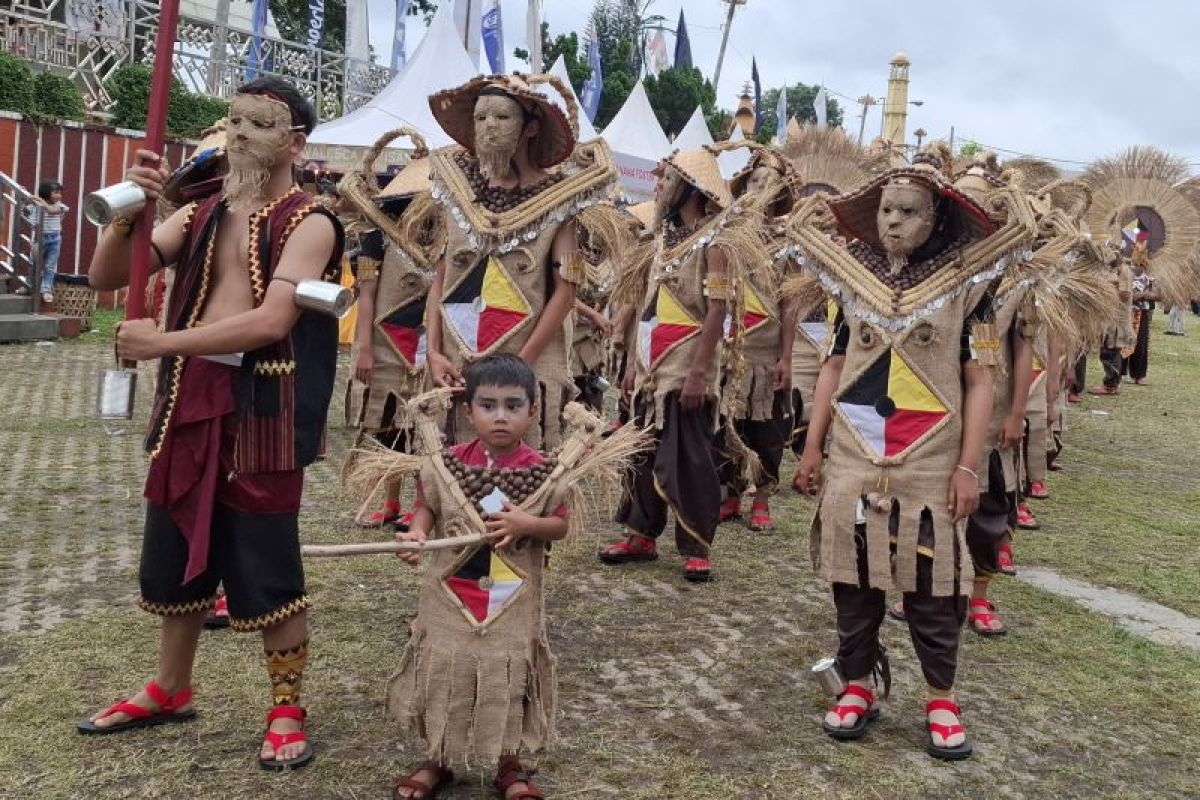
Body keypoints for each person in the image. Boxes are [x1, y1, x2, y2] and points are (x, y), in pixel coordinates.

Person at [78, 77, 343, 771]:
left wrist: (157, 342)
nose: (241, 134)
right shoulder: (198, 214)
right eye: (233, 121)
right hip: (188, 398)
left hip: (262, 405)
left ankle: (286, 706)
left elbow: (271, 321)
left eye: (258, 123)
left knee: (265, 554)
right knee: (174, 535)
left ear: (295, 140)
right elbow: (106, 277)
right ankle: (170, 686)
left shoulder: (310, 219)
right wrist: (128, 213)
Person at [792, 145, 1036, 760]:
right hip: (855, 456)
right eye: (885, 210)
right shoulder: (855, 281)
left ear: (937, 221)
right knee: (853, 578)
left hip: (930, 464)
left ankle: (941, 698)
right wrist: (813, 445)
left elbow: (980, 381)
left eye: (908, 211)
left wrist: (966, 466)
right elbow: (836, 366)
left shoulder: (969, 290)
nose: (892, 221)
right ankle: (856, 685)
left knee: (933, 584)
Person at [380, 356, 646, 800]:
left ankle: (509, 764)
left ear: (532, 410)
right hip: (451, 593)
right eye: (487, 405)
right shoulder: (445, 463)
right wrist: (417, 532)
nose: (500, 415)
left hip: (512, 595)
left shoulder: (544, 471)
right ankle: (439, 758)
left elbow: (559, 526)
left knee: (511, 674)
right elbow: (427, 506)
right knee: (447, 670)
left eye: (512, 405)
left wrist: (526, 524)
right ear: (467, 412)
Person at [422, 74, 625, 448]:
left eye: (501, 117)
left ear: (530, 128)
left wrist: (519, 368)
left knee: (521, 478)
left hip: (528, 366)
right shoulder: (455, 191)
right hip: (454, 365)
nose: (488, 127)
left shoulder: (562, 200)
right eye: (481, 118)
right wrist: (433, 352)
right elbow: (440, 279)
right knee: (451, 472)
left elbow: (565, 294)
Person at [600, 148, 764, 582]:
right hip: (651, 363)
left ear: (690, 187)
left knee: (688, 457)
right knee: (640, 453)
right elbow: (646, 306)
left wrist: (697, 372)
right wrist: (633, 363)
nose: (658, 187)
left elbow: (717, 311)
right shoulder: (662, 241)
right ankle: (641, 534)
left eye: (666, 180)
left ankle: (696, 544)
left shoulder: (717, 242)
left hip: (689, 364)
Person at [343, 131, 443, 529]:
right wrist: (364, 347)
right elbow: (365, 296)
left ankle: (421, 504)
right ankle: (389, 502)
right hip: (385, 344)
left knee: (424, 426)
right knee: (384, 424)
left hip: (429, 344)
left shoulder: (444, 239)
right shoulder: (375, 236)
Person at [719, 145, 799, 531]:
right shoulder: (726, 235)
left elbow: (790, 304)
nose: (760, 188)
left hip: (767, 353)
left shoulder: (788, 242)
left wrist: (786, 357)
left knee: (766, 430)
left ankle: (761, 500)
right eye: (754, 181)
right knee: (726, 423)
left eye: (768, 183)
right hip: (730, 349)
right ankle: (730, 493)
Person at [1124, 242, 1156, 385]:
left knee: (1141, 343)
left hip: (1142, 312)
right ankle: (1118, 372)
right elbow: (1126, 292)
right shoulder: (1126, 272)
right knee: (1123, 340)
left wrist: (1144, 294)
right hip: (1126, 311)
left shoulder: (1149, 276)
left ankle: (1139, 374)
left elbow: (1157, 295)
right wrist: (1140, 295)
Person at [33, 178, 69, 304]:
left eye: (60, 192)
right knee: (34, 263)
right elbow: (30, 218)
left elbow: (51, 211)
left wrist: (42, 202)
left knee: (50, 266)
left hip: (55, 239)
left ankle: (46, 289)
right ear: (45, 192)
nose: (59, 195)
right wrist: (25, 197)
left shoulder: (61, 206)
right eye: (55, 192)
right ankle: (29, 285)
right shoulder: (38, 206)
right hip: (40, 238)